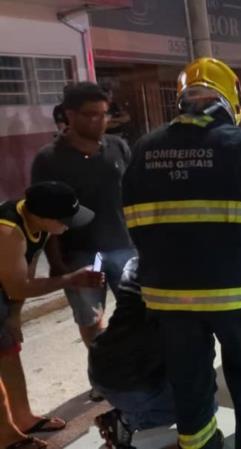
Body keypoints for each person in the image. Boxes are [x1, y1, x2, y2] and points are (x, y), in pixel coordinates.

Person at [122, 57, 241, 449]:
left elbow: (135, 225)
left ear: (182, 100)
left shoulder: (144, 150)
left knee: (190, 386)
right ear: (231, 101)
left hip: (170, 300)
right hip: (239, 296)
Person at [31, 82, 136, 354]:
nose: (99, 121)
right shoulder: (49, 159)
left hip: (123, 247)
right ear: (70, 114)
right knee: (91, 318)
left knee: (138, 312)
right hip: (83, 254)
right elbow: (44, 215)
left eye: (103, 114)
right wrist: (57, 262)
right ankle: (102, 373)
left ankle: (135, 372)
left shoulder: (118, 148)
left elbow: (134, 195)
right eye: (91, 114)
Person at [0, 182, 104, 449]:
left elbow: (28, 269)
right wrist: (70, 279)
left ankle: (23, 418)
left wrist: (14, 315)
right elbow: (18, 285)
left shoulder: (38, 225)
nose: (69, 226)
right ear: (44, 217)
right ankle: (7, 438)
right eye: (65, 221)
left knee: (9, 351)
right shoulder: (8, 232)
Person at [90, 257, 175, 449]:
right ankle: (132, 421)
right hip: (133, 381)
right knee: (201, 408)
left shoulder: (138, 261)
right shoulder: (192, 275)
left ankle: (127, 416)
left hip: (103, 363)